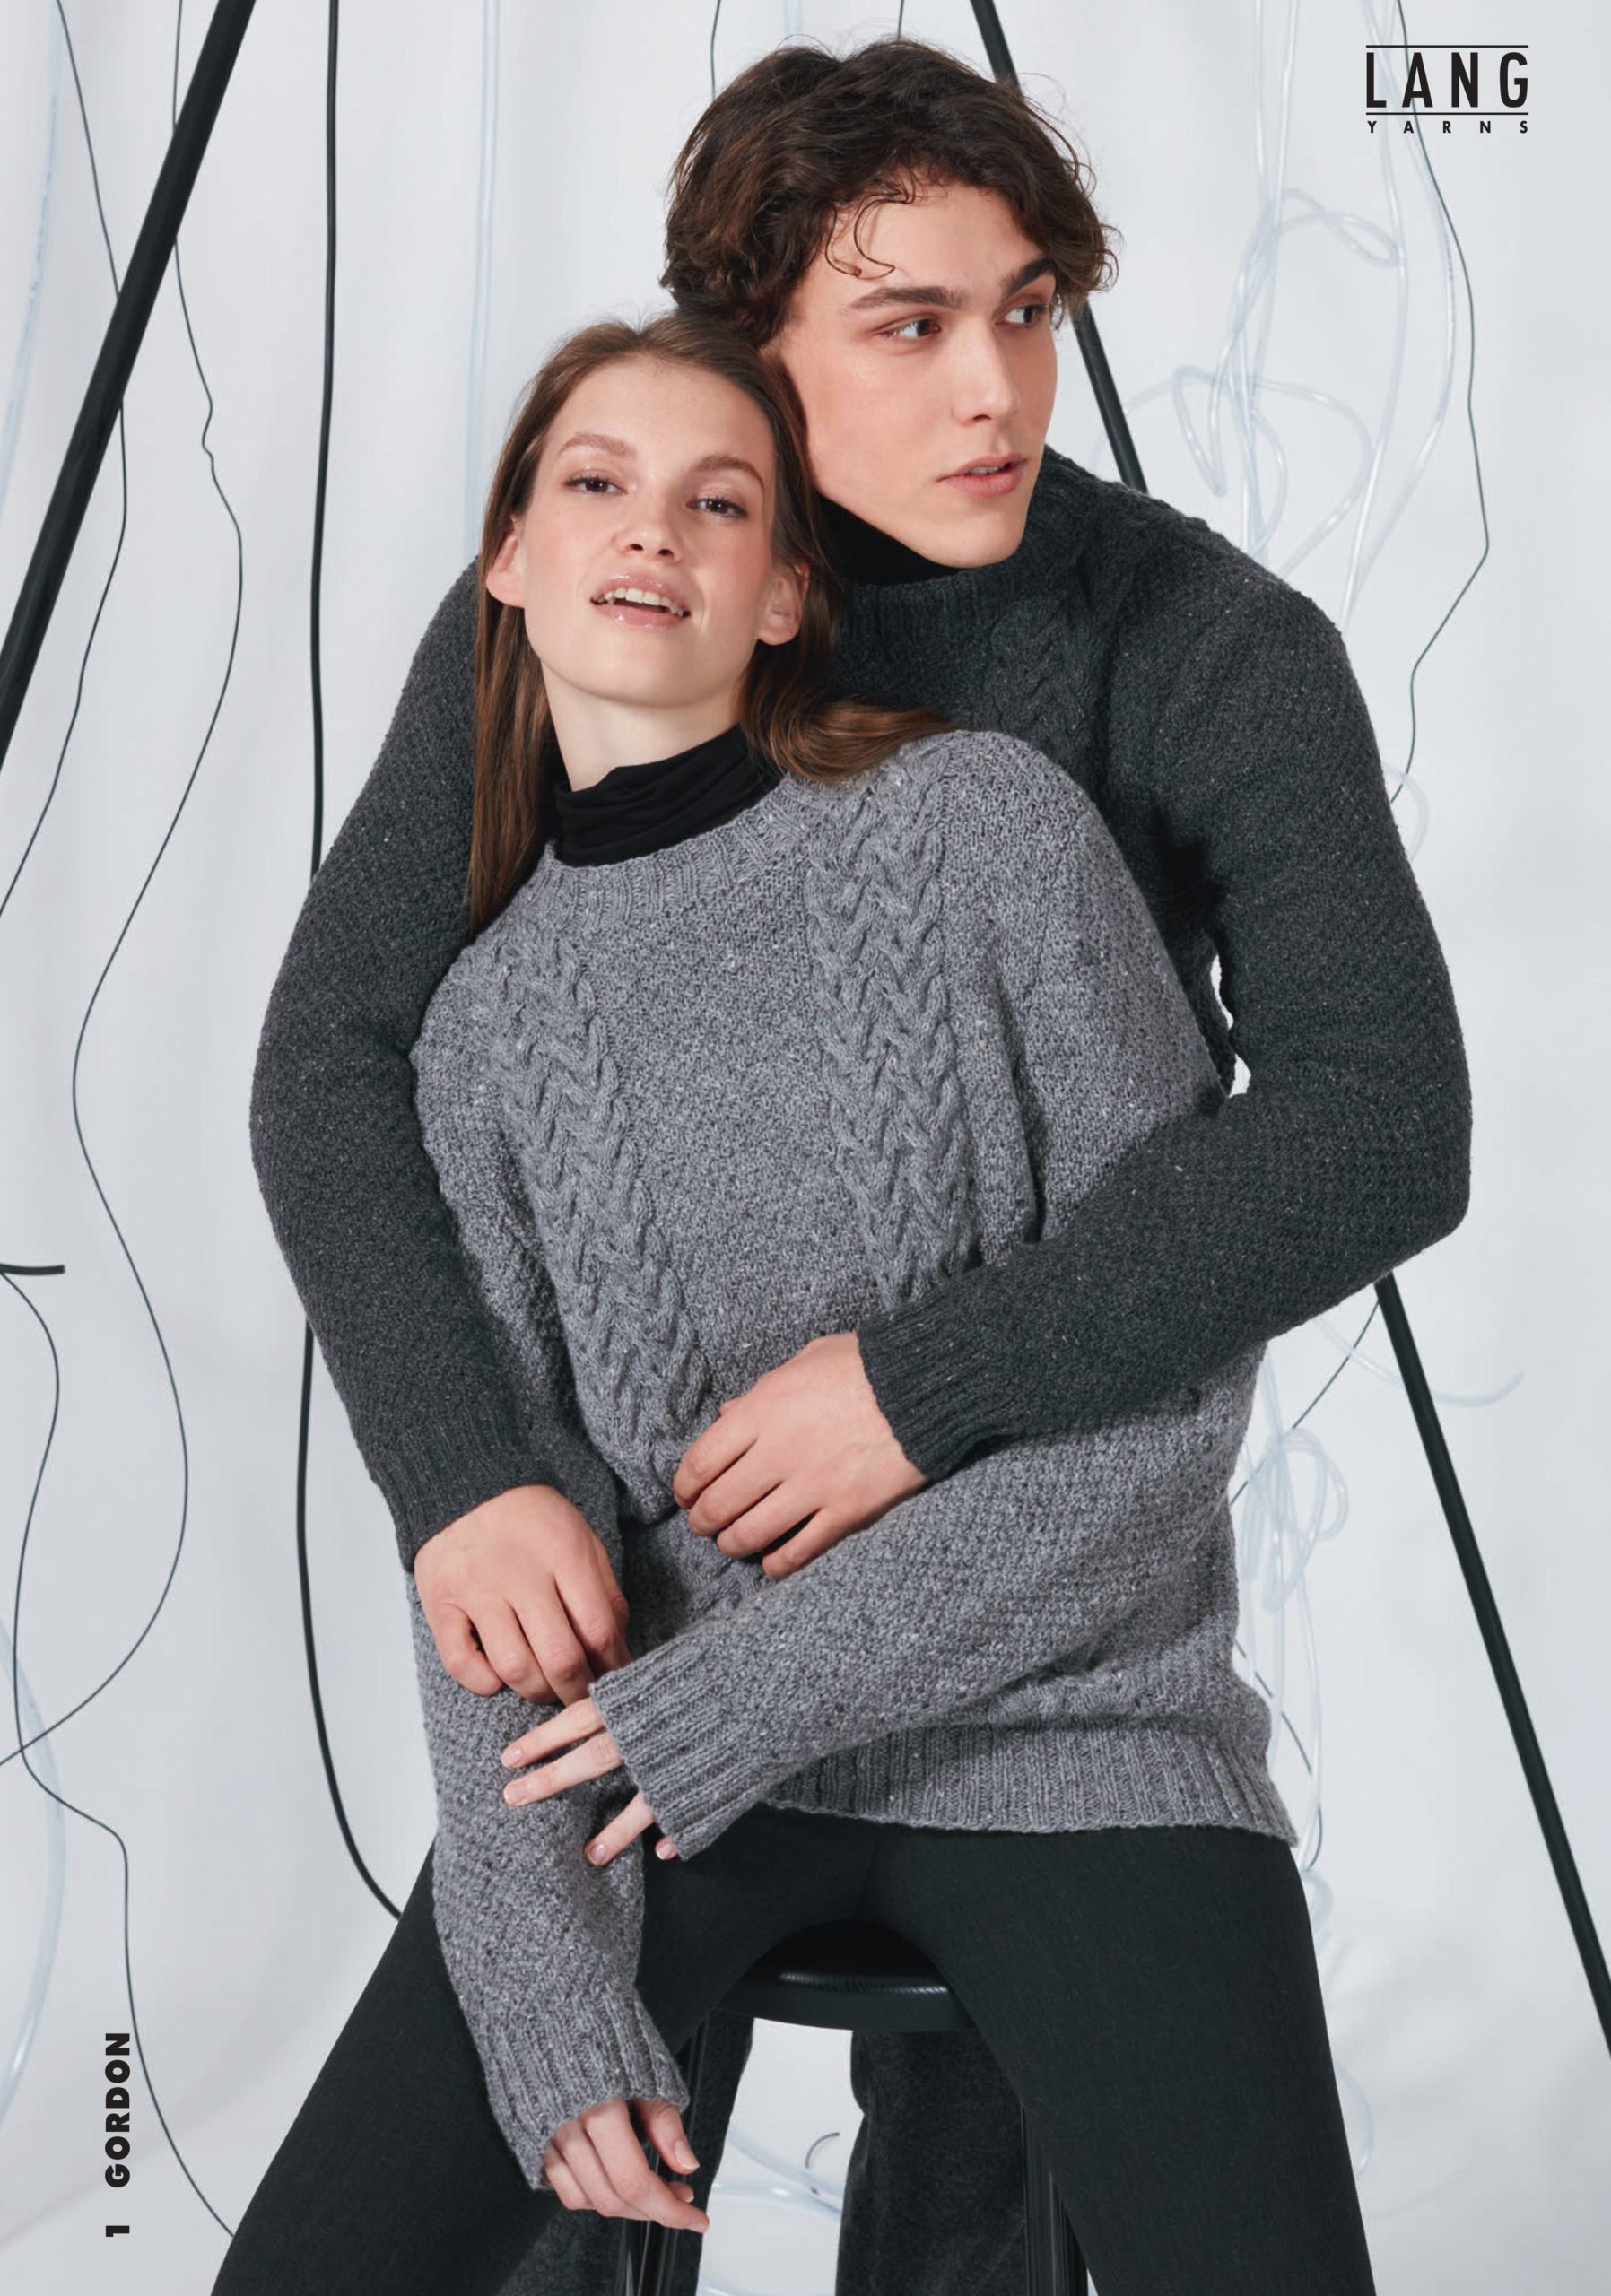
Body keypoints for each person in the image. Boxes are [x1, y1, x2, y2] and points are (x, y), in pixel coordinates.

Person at [241, 35, 1467, 2296]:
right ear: (751, 347)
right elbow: (341, 1055)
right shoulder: (625, 580)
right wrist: (460, 1475)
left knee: (990, 2200)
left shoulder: (1193, 652)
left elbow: (1376, 1121)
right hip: (669, 1617)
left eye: (1028, 310)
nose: (994, 389)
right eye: (905, 324)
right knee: (548, 2170)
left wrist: (922, 1383)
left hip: (1039, 1590)